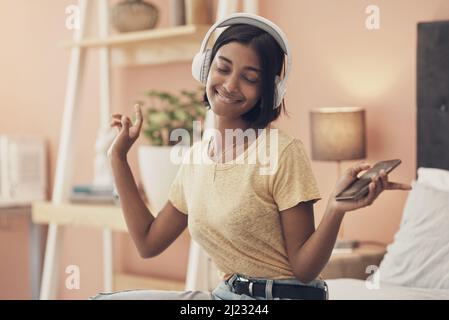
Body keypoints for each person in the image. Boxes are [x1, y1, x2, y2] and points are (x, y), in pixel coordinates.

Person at [91, 13, 411, 300]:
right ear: (205, 68)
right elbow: (148, 243)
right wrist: (118, 159)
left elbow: (304, 269)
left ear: (268, 91)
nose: (230, 85)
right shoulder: (195, 159)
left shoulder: (282, 152)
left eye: (250, 78)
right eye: (223, 68)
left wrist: (334, 210)